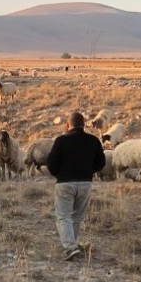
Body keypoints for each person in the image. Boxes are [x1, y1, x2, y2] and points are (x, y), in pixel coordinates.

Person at [46, 110, 105, 260]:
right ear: (83, 125)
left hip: (65, 183)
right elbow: (101, 163)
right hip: (85, 183)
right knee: (77, 216)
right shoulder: (93, 140)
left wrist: (59, 174)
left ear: (67, 125)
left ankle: (70, 247)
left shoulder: (61, 141)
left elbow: (51, 163)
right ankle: (72, 244)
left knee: (63, 216)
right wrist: (88, 172)